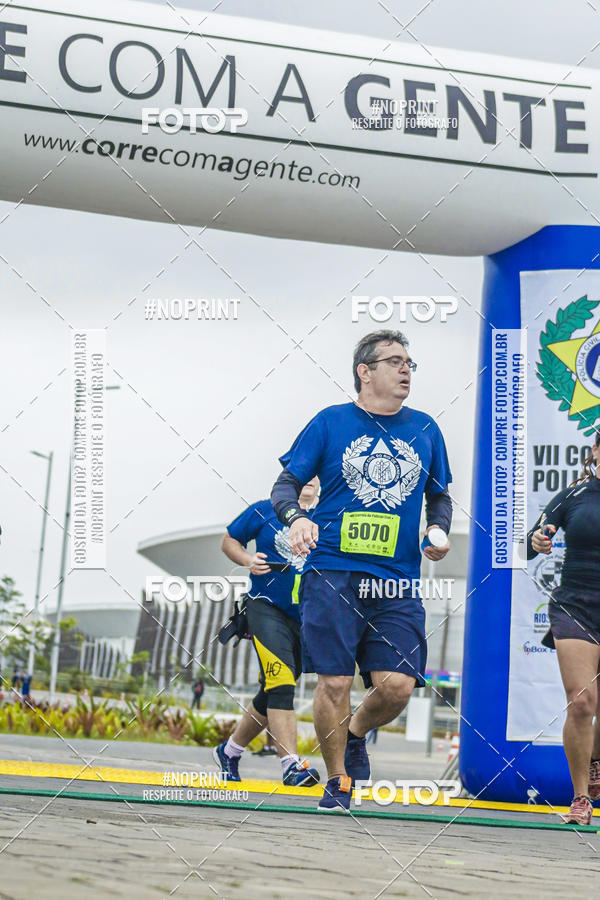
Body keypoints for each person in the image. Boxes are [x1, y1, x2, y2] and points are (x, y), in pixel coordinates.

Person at [271, 329, 452, 811]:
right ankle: (338, 780)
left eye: (409, 362)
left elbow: (439, 496)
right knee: (334, 682)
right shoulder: (330, 422)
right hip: (333, 572)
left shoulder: (425, 429)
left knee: (398, 685)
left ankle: (354, 731)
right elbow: (285, 486)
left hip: (396, 580)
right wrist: (297, 517)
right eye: (394, 361)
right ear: (364, 372)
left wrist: (437, 529)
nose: (406, 369)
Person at [213, 479, 321, 787]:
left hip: (307, 617)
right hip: (265, 607)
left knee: (273, 689)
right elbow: (229, 540)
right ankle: (291, 765)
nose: (309, 480)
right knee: (281, 682)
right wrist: (247, 560)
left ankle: (229, 751)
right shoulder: (264, 510)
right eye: (302, 473)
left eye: (315, 475)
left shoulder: (327, 515)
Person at [527, 429, 600, 826]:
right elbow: (532, 540)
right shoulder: (574, 494)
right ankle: (581, 797)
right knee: (583, 701)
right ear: (595, 451)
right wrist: (538, 539)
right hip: (576, 605)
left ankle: (595, 760)